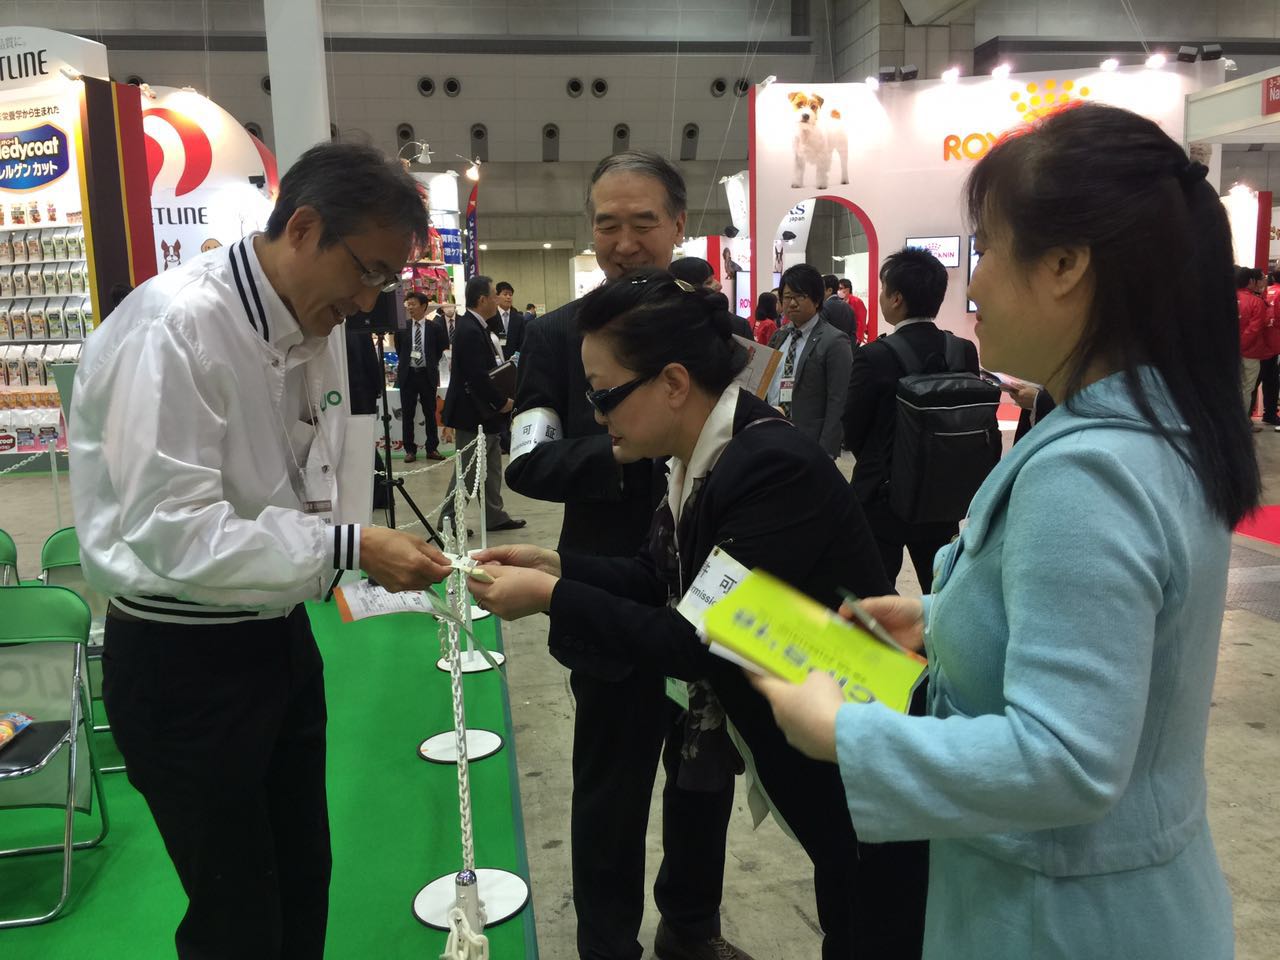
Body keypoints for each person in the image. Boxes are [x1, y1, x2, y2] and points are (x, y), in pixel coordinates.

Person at [754, 102, 1258, 960]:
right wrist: (944, 616)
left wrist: (843, 733)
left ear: (1065, 265)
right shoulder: (1157, 427)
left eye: (986, 248)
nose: (974, 285)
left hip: (1061, 924)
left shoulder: (1089, 472)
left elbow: (1067, 758)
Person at [470, 268, 927, 960]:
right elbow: (660, 575)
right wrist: (557, 565)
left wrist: (549, 597)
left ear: (674, 384)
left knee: (870, 919)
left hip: (867, 745)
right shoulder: (699, 457)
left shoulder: (767, 466)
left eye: (604, 395)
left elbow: (694, 637)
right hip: (817, 740)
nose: (597, 416)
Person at [68, 142, 454, 958]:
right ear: (304, 228)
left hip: (276, 639)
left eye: (387, 281)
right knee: (236, 913)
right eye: (367, 272)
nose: (369, 300)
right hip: (182, 662)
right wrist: (349, 544)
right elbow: (172, 529)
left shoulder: (309, 328)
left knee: (303, 878)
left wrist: (342, 542)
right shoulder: (178, 325)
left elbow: (298, 479)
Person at [505, 151, 749, 960]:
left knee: (704, 781)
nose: (624, 241)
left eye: (644, 222)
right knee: (608, 795)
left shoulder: (720, 335)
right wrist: (624, 447)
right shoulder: (556, 335)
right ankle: (606, 946)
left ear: (679, 225)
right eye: (607, 223)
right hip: (605, 598)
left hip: (709, 595)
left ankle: (691, 928)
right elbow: (526, 462)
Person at [842, 247, 978, 591]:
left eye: (883, 289)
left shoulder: (873, 356)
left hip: (881, 494)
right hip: (941, 492)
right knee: (941, 589)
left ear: (896, 298)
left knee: (875, 591)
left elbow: (853, 427)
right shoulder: (962, 350)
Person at [439, 274, 525, 535]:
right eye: (494, 294)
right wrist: (500, 402)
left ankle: (494, 515)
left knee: (491, 468)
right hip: (472, 412)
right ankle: (449, 520)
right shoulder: (468, 329)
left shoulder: (478, 326)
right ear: (482, 299)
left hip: (485, 413)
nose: (498, 299)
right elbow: (476, 375)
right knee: (467, 469)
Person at [767, 264, 852, 458]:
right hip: (772, 435)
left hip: (809, 442)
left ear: (817, 299)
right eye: (787, 297)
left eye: (800, 296)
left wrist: (826, 451)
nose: (792, 303)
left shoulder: (834, 341)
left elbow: (839, 400)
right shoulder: (779, 336)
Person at [395, 291, 447, 462]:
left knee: (430, 413)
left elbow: (439, 349)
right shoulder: (402, 327)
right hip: (408, 375)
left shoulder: (435, 328)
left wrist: (429, 363)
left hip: (427, 375)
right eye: (408, 304)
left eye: (413, 304)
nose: (410, 308)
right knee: (407, 414)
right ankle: (410, 450)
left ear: (423, 306)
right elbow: (399, 350)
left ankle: (432, 448)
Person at [669, 255, 751, 338]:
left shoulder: (739, 325)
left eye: (714, 279)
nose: (719, 285)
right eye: (708, 282)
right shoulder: (669, 327)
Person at [1237, 265, 1274, 430]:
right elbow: (1254, 329)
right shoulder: (1256, 302)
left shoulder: (1226, 299)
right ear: (1251, 281)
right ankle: (1241, 423)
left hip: (1228, 353)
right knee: (1247, 388)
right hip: (1250, 352)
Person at [821, 273, 856, 340]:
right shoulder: (849, 308)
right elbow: (853, 333)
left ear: (829, 290)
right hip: (847, 345)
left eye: (821, 289)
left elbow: (821, 334)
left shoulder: (823, 307)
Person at [838, 277, 869, 344]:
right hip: (840, 337)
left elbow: (861, 321)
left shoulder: (857, 301)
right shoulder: (837, 301)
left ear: (847, 289)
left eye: (841, 288)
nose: (838, 291)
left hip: (853, 337)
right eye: (838, 289)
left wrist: (858, 338)